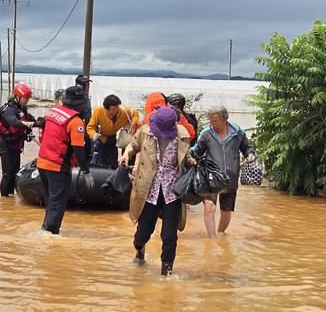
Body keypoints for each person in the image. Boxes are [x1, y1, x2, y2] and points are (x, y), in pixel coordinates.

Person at [119, 107, 196, 276]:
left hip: (172, 191)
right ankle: (140, 250)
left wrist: (192, 162)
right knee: (142, 234)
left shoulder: (181, 135)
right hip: (149, 188)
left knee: (169, 235)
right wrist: (127, 155)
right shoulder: (145, 132)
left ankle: (166, 274)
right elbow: (134, 144)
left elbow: (186, 155)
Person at [37, 86, 95, 234]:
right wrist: (86, 171)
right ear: (80, 104)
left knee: (50, 201)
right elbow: (78, 149)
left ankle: (45, 229)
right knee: (58, 203)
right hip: (58, 166)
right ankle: (50, 237)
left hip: (42, 162)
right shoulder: (75, 122)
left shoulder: (53, 111)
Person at [192, 105, 255, 238]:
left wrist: (250, 154)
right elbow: (197, 152)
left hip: (229, 180)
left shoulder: (238, 133)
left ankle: (220, 235)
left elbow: (246, 148)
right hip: (211, 178)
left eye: (216, 121)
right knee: (209, 206)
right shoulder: (206, 134)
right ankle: (212, 239)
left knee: (226, 213)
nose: (213, 124)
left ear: (225, 119)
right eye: (211, 121)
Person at [0, 83, 38, 197]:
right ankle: (4, 201)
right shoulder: (9, 110)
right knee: (7, 175)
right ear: (18, 96)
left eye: (28, 98)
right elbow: (14, 122)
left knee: (15, 173)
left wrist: (42, 120)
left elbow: (30, 118)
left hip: (16, 145)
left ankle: (11, 197)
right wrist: (33, 124)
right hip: (6, 145)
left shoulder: (22, 108)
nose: (27, 101)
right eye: (25, 98)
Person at [87, 94, 139, 166]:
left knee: (113, 163)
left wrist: (134, 122)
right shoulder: (99, 111)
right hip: (100, 140)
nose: (115, 111)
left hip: (112, 140)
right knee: (99, 164)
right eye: (113, 110)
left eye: (117, 108)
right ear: (106, 108)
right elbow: (90, 127)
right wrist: (93, 134)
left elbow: (135, 113)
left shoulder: (122, 112)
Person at [75, 75, 93, 162]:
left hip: (87, 133)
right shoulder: (75, 99)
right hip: (79, 132)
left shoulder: (86, 99)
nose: (88, 87)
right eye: (86, 84)